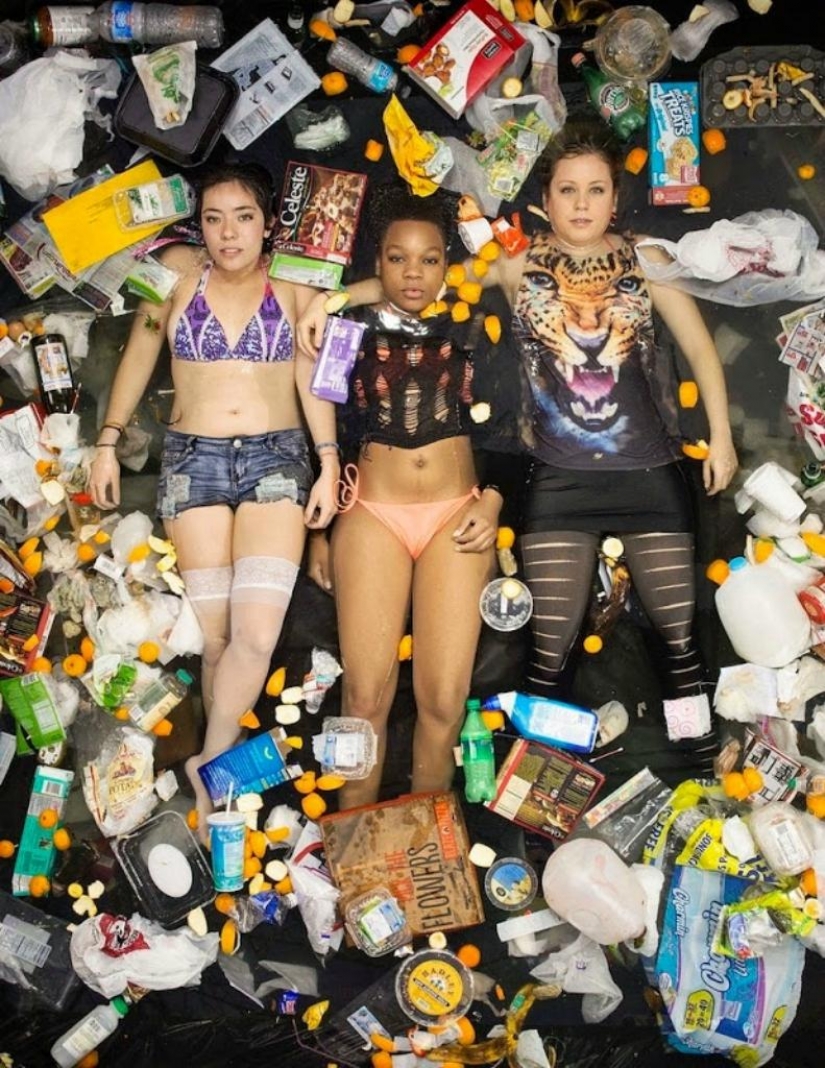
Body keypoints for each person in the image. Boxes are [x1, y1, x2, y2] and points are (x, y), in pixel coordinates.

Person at [298, 123, 738, 746]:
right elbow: (420, 286)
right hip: (556, 478)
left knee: (677, 634)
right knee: (550, 648)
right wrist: (336, 300)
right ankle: (537, 769)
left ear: (615, 198)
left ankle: (696, 754)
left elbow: (699, 348)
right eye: (567, 190)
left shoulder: (648, 260)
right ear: (545, 200)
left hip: (649, 472)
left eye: (595, 190)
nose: (581, 204)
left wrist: (721, 436)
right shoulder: (514, 261)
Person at [88, 162, 339, 836]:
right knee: (218, 637)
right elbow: (140, 349)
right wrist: (108, 440)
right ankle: (217, 785)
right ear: (197, 225)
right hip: (190, 462)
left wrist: (328, 461)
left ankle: (207, 763)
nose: (229, 233)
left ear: (268, 223)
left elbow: (312, 374)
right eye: (214, 218)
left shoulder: (295, 280)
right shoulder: (173, 269)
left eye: (244, 217)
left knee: (254, 637)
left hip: (276, 459)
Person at [309, 184, 501, 809]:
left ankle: (425, 839)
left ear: (448, 264)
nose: (413, 272)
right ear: (378, 263)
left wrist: (495, 501)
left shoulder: (477, 317)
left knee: (444, 700)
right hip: (372, 512)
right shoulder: (346, 328)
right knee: (363, 697)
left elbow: (513, 425)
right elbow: (322, 425)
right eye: (397, 258)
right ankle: (354, 838)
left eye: (429, 259)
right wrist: (317, 531)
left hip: (456, 512)